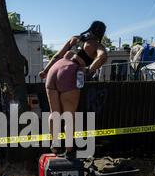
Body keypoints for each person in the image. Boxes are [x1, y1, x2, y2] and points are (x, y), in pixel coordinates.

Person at [39, 21, 108, 159]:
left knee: (54, 113)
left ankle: (55, 145)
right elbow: (102, 56)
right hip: (70, 72)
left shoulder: (75, 38)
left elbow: (57, 56)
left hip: (54, 70)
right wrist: (90, 69)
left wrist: (46, 70)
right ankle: (69, 150)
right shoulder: (96, 45)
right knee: (69, 116)